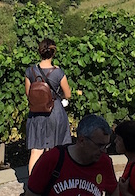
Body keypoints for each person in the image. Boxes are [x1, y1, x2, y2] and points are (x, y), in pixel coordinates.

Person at [25, 114, 119, 196]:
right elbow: (32, 193)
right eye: (100, 145)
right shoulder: (52, 159)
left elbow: (114, 192)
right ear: (82, 140)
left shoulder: (104, 162)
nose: (104, 151)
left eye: (106, 145)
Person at [25, 38, 73, 174]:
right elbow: (67, 94)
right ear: (53, 52)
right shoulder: (58, 73)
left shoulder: (30, 71)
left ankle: (33, 185)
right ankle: (53, 182)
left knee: (36, 150)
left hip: (36, 114)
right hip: (55, 112)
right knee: (56, 149)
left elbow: (28, 93)